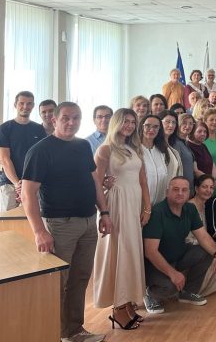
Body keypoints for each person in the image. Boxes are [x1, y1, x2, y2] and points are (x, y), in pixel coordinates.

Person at [21, 102, 112, 342]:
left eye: (76, 118)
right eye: (66, 118)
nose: (71, 123)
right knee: (58, 283)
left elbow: (94, 181)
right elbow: (28, 194)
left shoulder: (83, 146)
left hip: (88, 222)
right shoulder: (40, 150)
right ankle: (55, 333)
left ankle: (73, 331)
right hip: (59, 225)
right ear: (54, 120)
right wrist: (39, 231)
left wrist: (104, 212)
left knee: (80, 279)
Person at [92, 108, 150, 331]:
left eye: (133, 122)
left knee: (131, 252)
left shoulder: (135, 148)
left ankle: (127, 303)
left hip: (133, 204)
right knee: (119, 252)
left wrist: (147, 208)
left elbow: (143, 181)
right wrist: (104, 211)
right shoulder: (105, 149)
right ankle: (117, 308)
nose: (129, 126)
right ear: (116, 123)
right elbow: (96, 183)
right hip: (116, 204)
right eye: (125, 121)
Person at [142, 177, 216, 314]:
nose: (180, 193)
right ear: (167, 192)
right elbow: (150, 252)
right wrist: (173, 273)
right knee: (171, 287)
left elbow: (203, 237)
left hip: (178, 256)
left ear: (189, 193)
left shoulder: (190, 209)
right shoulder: (157, 212)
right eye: (176, 189)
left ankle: (187, 292)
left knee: (206, 252)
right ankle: (149, 294)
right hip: (154, 265)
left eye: (184, 190)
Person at [0, 91, 47, 211]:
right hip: (10, 184)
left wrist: (27, 184)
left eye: (29, 103)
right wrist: (17, 184)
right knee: (7, 220)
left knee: (33, 220)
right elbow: (5, 159)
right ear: (15, 105)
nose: (25, 106)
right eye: (21, 103)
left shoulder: (39, 129)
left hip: (34, 185)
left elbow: (41, 158)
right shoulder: (5, 128)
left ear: (33, 106)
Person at [186, 175, 216, 296]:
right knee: (214, 256)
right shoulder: (189, 207)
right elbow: (188, 237)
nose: (208, 190)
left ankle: (199, 291)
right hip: (190, 245)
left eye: (211, 187)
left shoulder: (207, 205)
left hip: (202, 241)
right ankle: (191, 291)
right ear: (196, 188)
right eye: (204, 187)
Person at [141, 114, 180, 205]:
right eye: (147, 126)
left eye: (155, 127)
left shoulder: (162, 150)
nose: (151, 129)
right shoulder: (135, 150)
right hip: (140, 204)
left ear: (160, 129)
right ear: (141, 127)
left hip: (160, 205)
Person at [172, 113, 196, 192]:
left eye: (191, 123)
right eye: (184, 123)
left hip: (189, 186)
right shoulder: (175, 143)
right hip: (180, 189)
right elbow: (175, 168)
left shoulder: (185, 142)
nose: (188, 126)